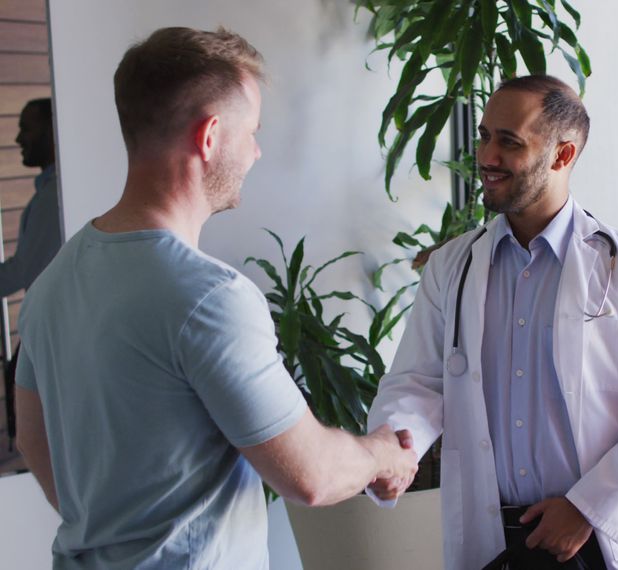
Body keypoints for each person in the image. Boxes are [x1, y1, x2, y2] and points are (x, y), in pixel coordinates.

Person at [13, 27, 417, 568]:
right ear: (209, 138)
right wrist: (383, 455)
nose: (255, 150)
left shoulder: (52, 282)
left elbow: (35, 444)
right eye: (250, 131)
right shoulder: (208, 297)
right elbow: (312, 475)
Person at [368, 75, 618, 570]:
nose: (486, 156)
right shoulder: (453, 268)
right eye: (484, 136)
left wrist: (589, 507)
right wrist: (392, 448)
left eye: (509, 142)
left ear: (562, 156)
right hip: (492, 538)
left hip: (593, 537)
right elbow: (419, 383)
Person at [3, 98, 63, 448]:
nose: (18, 138)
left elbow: (22, 273)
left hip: (48, 337)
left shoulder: (52, 198)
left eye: (26, 127)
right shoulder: (51, 194)